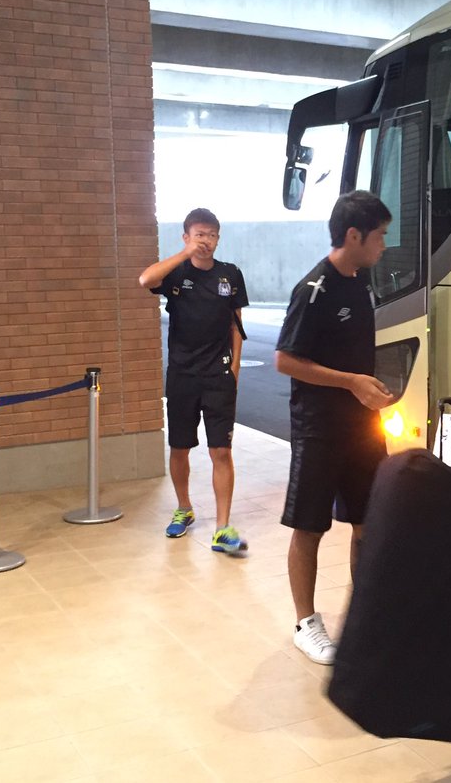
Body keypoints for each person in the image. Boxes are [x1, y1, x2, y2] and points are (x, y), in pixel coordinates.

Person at [275, 191, 393, 665]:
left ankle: (364, 615)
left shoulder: (361, 283)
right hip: (319, 429)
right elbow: (285, 360)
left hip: (363, 426)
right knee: (309, 526)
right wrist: (351, 382)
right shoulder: (313, 289)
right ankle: (306, 624)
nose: (384, 244)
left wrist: (369, 389)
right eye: (380, 235)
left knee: (369, 522)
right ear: (353, 235)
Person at [138, 208, 248, 554]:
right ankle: (184, 508)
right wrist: (184, 255)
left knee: (221, 451)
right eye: (199, 234)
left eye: (212, 235)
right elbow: (145, 280)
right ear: (186, 237)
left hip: (218, 376)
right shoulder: (176, 273)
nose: (206, 241)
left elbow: (236, 324)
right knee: (180, 447)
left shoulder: (230, 274)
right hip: (183, 375)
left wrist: (235, 369)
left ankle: (222, 527)